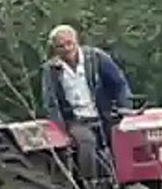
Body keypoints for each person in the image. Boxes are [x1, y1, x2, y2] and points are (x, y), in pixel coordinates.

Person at [40, 24, 133, 180]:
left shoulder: (96, 58)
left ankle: (123, 180)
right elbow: (51, 103)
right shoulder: (51, 70)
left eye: (70, 43)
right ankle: (91, 185)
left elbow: (119, 83)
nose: (67, 49)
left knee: (121, 140)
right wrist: (61, 129)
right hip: (76, 120)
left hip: (103, 113)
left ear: (77, 41)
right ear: (55, 49)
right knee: (86, 143)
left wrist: (126, 109)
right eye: (61, 46)